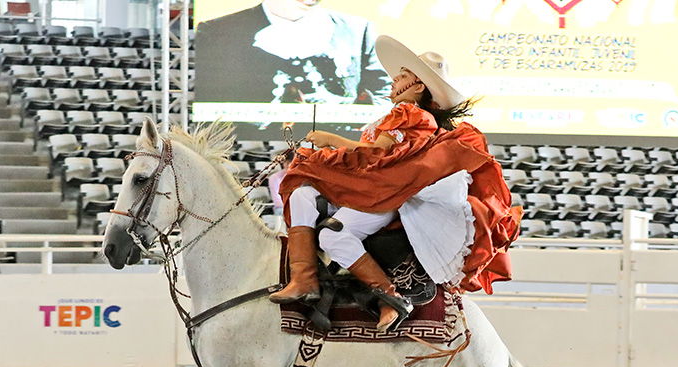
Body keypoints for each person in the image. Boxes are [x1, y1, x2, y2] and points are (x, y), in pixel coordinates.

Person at [270, 35, 522, 332]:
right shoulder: (401, 116)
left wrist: (330, 141)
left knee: (331, 236)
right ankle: (304, 277)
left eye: (401, 76)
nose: (393, 80)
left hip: (380, 194)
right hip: (369, 189)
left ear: (417, 87)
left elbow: (378, 154)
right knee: (301, 194)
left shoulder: (410, 113)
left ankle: (390, 297)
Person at [195, 0, 391, 106]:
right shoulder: (216, 32)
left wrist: (343, 105)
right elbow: (206, 101)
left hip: (340, 157)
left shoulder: (358, 30)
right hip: (251, 155)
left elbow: (385, 98)